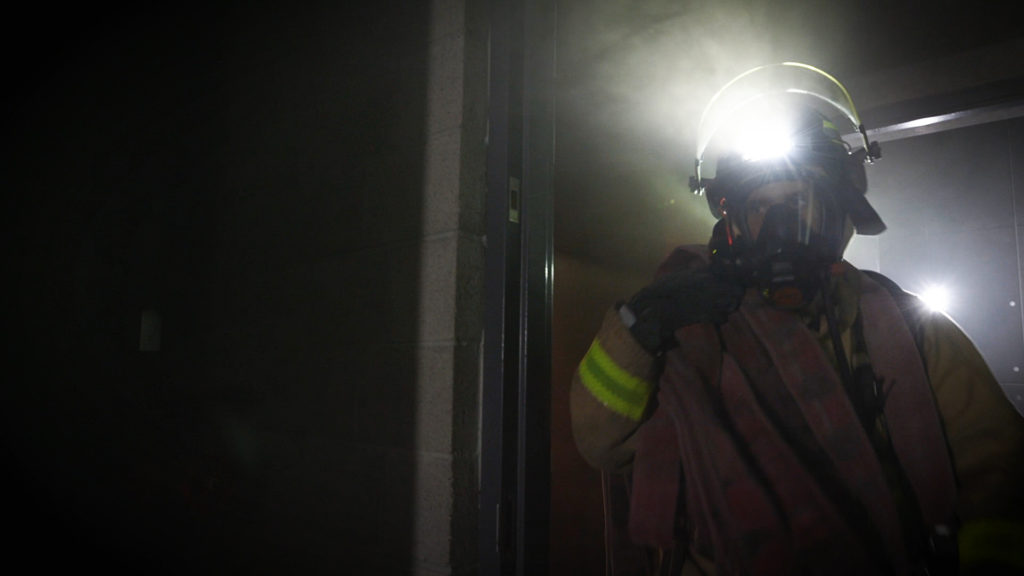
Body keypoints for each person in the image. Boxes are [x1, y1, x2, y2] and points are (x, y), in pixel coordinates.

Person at [570, 63, 1024, 575]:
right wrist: (640, 327)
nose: (779, 221)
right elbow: (599, 444)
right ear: (733, 220)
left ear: (837, 209)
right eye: (761, 205)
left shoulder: (906, 327)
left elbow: (1000, 474)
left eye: (797, 201)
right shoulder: (687, 322)